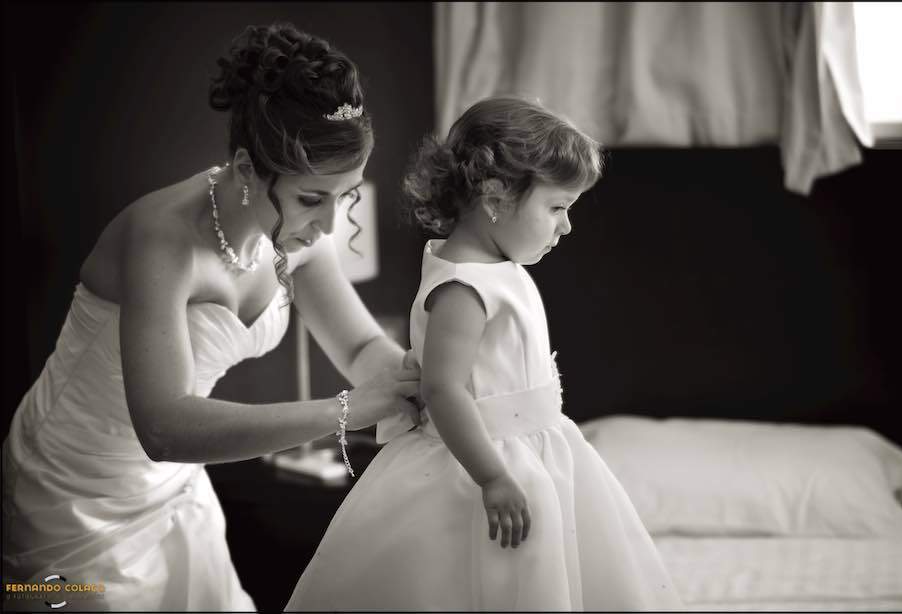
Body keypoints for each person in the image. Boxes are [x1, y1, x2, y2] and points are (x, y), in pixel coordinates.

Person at [1, 23, 420, 612]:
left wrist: (425, 383)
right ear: (247, 169)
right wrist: (348, 410)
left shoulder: (302, 239)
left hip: (176, 490)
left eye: (345, 195)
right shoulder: (161, 238)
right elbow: (164, 428)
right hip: (73, 493)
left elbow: (359, 348)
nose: (330, 225)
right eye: (311, 198)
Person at [284, 97, 683, 611]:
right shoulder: (462, 286)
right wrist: (492, 477)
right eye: (557, 208)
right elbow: (443, 389)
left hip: (536, 449)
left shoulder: (498, 269)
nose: (566, 226)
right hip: (480, 462)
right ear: (495, 196)